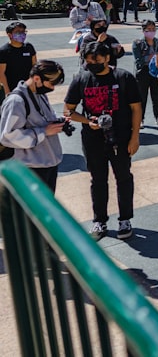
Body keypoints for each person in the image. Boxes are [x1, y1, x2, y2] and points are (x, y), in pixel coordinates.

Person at [64, 41, 142, 240]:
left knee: (123, 178)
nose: (92, 64)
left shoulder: (123, 77)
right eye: (88, 61)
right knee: (97, 180)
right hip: (93, 139)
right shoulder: (81, 79)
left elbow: (136, 109)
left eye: (96, 60)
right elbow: (68, 110)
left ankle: (125, 219)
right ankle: (99, 220)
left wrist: (135, 137)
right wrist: (87, 121)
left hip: (121, 138)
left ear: (107, 58)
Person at [0, 60, 67, 189]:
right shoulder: (16, 101)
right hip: (31, 168)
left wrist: (58, 123)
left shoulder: (39, 95)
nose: (52, 88)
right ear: (37, 78)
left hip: (47, 163)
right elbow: (8, 136)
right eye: (51, 83)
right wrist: (44, 132)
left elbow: (42, 120)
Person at [131, 20, 158, 128]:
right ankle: (140, 118)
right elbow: (138, 60)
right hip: (143, 72)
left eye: (153, 29)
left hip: (155, 71)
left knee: (156, 94)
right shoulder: (138, 43)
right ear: (144, 31)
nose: (151, 32)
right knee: (141, 96)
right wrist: (150, 57)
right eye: (149, 30)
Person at [0, 21, 37, 98]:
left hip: (27, 87)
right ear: (9, 35)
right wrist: (7, 92)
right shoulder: (4, 51)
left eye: (23, 32)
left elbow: (35, 66)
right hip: (12, 88)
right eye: (18, 32)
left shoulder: (29, 47)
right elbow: (1, 73)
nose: (22, 34)